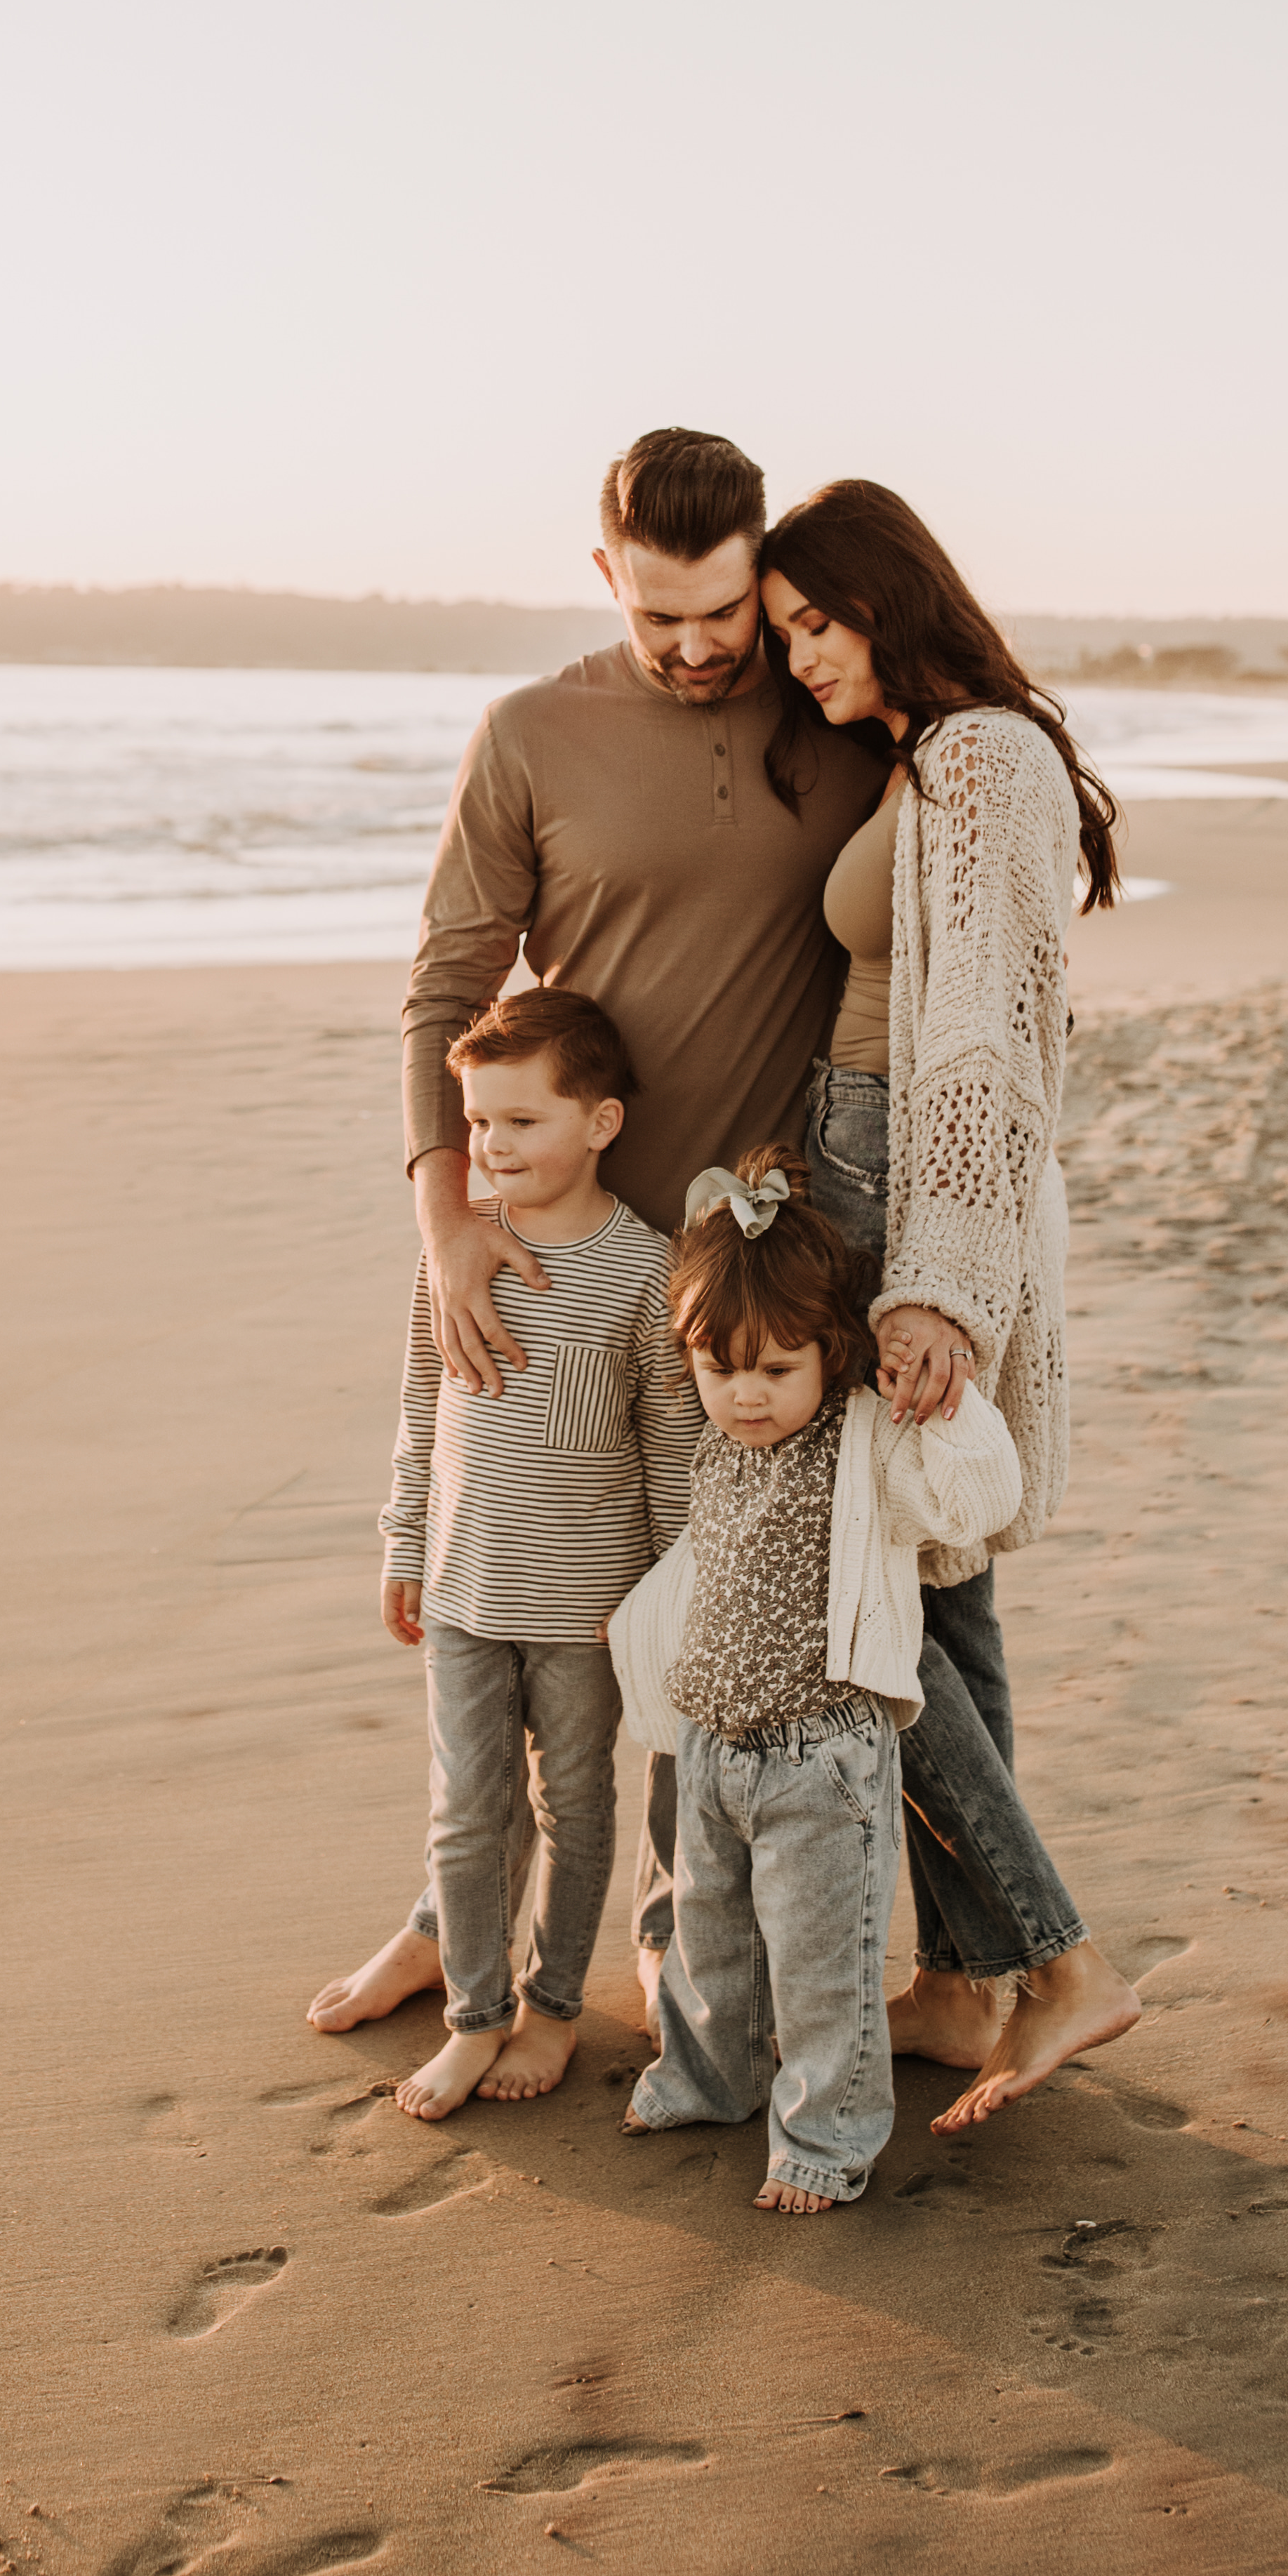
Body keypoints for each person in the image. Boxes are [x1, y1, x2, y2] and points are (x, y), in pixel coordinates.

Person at [309, 427, 886, 2039]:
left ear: (760, 567)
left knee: (680, 1618)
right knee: (503, 1611)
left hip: (742, 1276)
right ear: (602, 578)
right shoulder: (529, 733)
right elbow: (444, 986)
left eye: (720, 612)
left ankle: (655, 1925)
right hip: (548, 1257)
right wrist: (446, 1225)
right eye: (658, 621)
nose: (698, 650)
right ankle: (451, 1915)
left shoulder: (831, 720)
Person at [758, 476, 1142, 2127]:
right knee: (939, 1588)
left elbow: (981, 1041)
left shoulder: (981, 758)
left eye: (811, 625)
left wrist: (940, 1287)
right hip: (865, 1184)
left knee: (858, 1605)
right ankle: (964, 1972)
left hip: (899, 1197)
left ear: (883, 596)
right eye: (780, 637)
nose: (798, 662)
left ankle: (1055, 1961)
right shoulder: (944, 752)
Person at [610, 1147, 1025, 2210]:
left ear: (829, 1353)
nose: (743, 1394)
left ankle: (824, 2139)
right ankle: (710, 2077)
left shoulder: (863, 1440)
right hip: (711, 1743)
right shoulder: (715, 1437)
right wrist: (745, 1205)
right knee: (712, 1944)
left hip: (821, 1753)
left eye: (775, 1369)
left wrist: (949, 1402)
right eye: (719, 1368)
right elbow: (713, 1227)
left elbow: (970, 1498)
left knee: (821, 1964)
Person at [376, 988, 701, 2118]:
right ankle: (473, 2014)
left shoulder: (644, 1274)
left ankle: (554, 2004)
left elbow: (670, 1451)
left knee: (573, 1806)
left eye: (520, 1121)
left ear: (600, 1123)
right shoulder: (456, 1249)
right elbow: (423, 1410)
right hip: (466, 1594)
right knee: (465, 1811)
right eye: (475, 1124)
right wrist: (404, 1543)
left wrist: (667, 1602)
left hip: (587, 1615)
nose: (491, 1147)